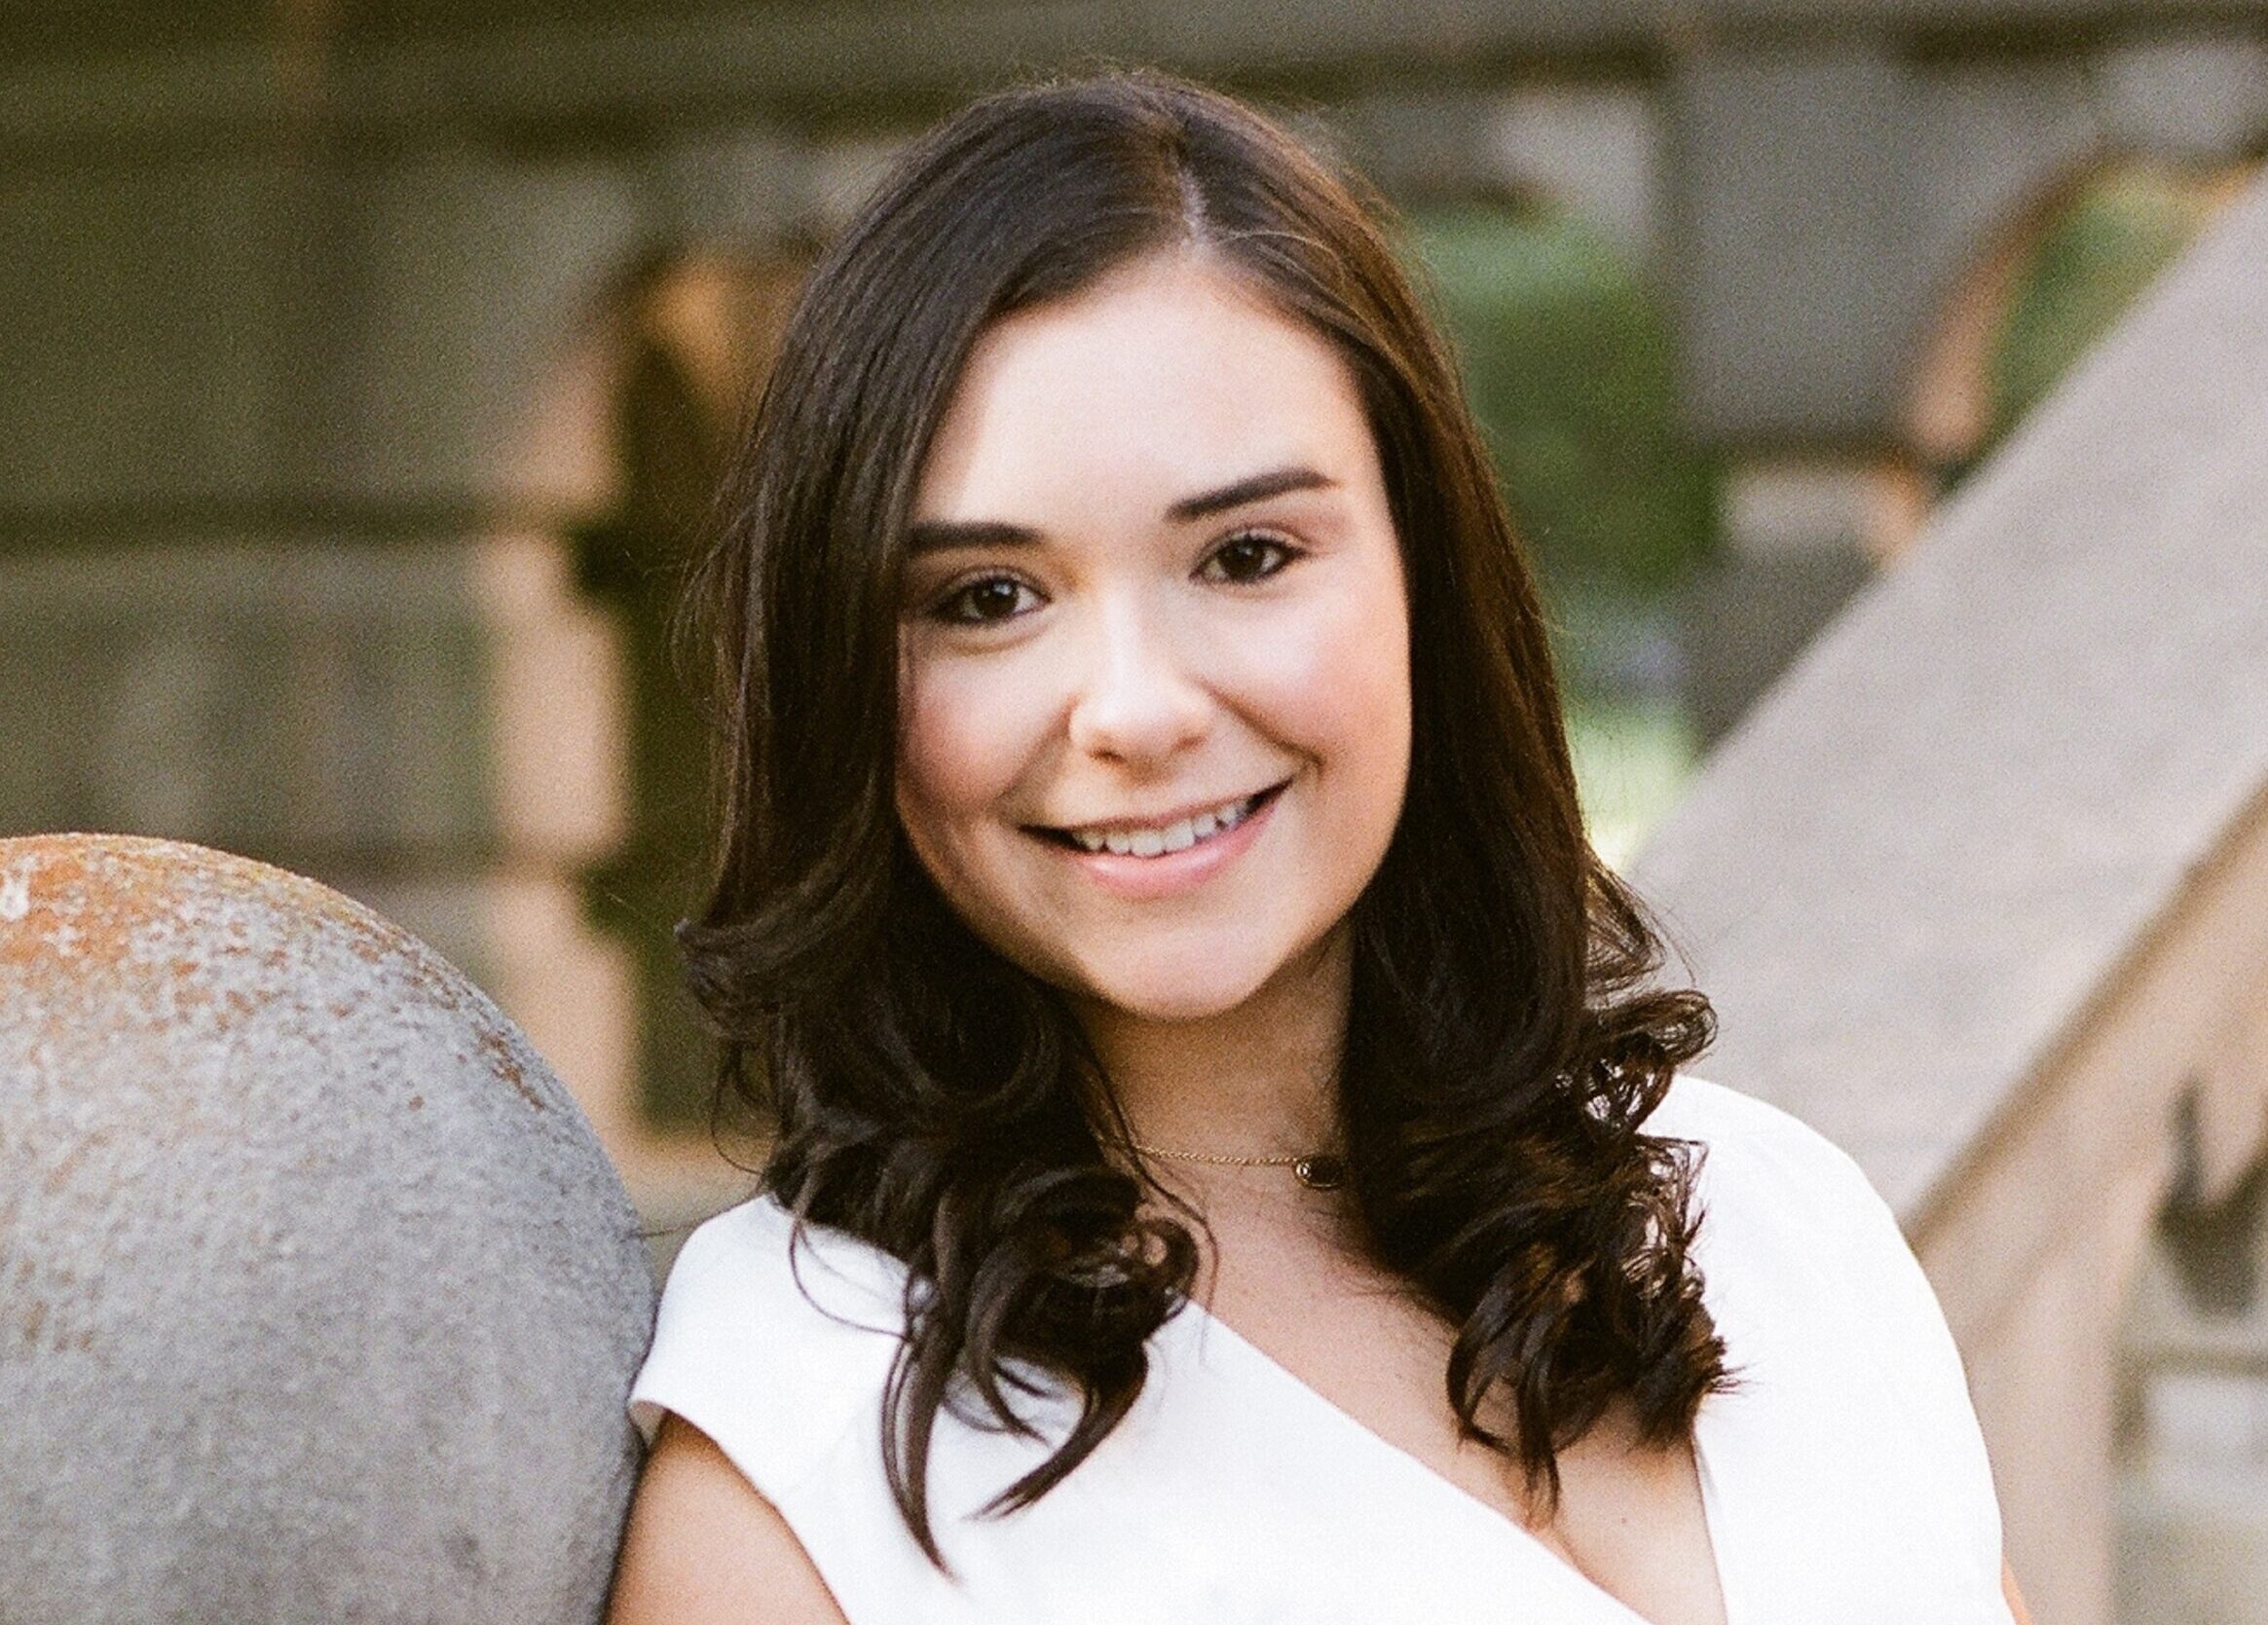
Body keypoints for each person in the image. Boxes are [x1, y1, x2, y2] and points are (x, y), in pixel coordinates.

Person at [606, 70, 2033, 1625]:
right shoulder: (811, 1439)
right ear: (847, 679)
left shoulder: (1768, 1220)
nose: (1137, 710)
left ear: (1422, 574)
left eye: (1247, 555)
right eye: (988, 597)